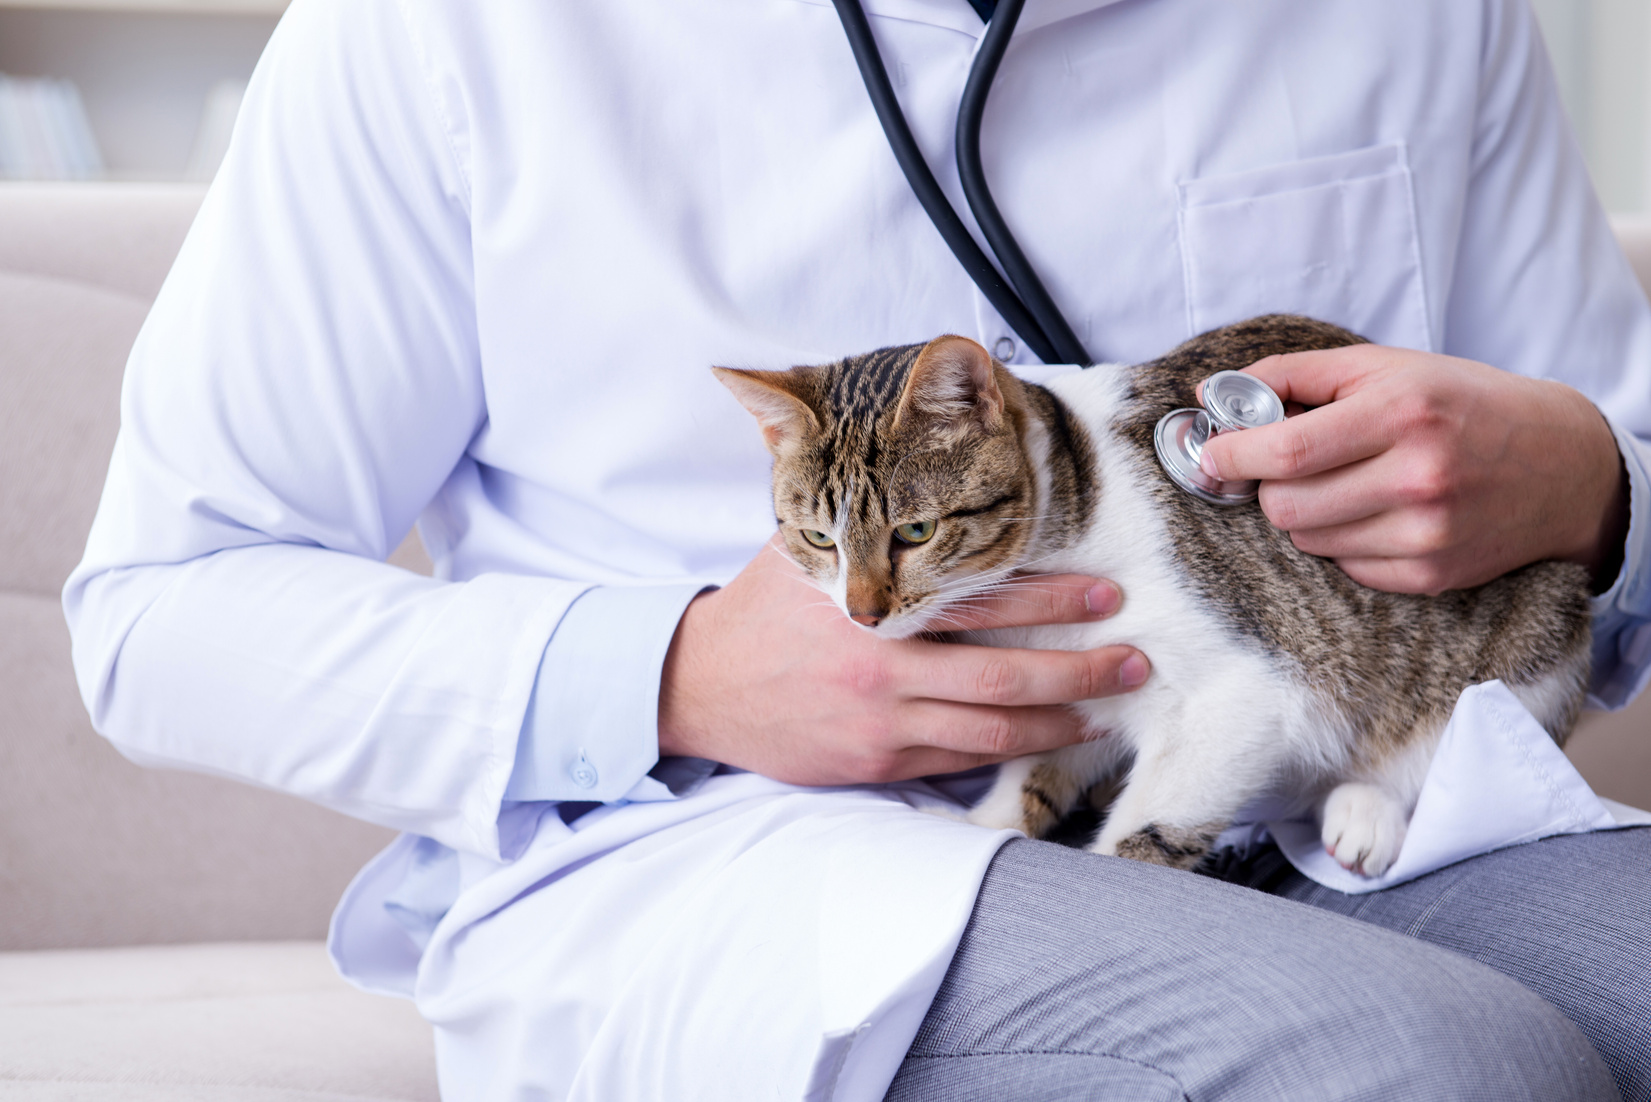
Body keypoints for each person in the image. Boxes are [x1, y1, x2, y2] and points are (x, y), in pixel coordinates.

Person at [63, 0, 1651, 1098]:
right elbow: (163, 610)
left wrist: (1595, 486)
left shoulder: (1430, 15)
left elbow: (1613, 500)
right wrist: (673, 672)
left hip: (1342, 788)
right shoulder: (437, 33)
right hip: (755, 861)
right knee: (1435, 1070)